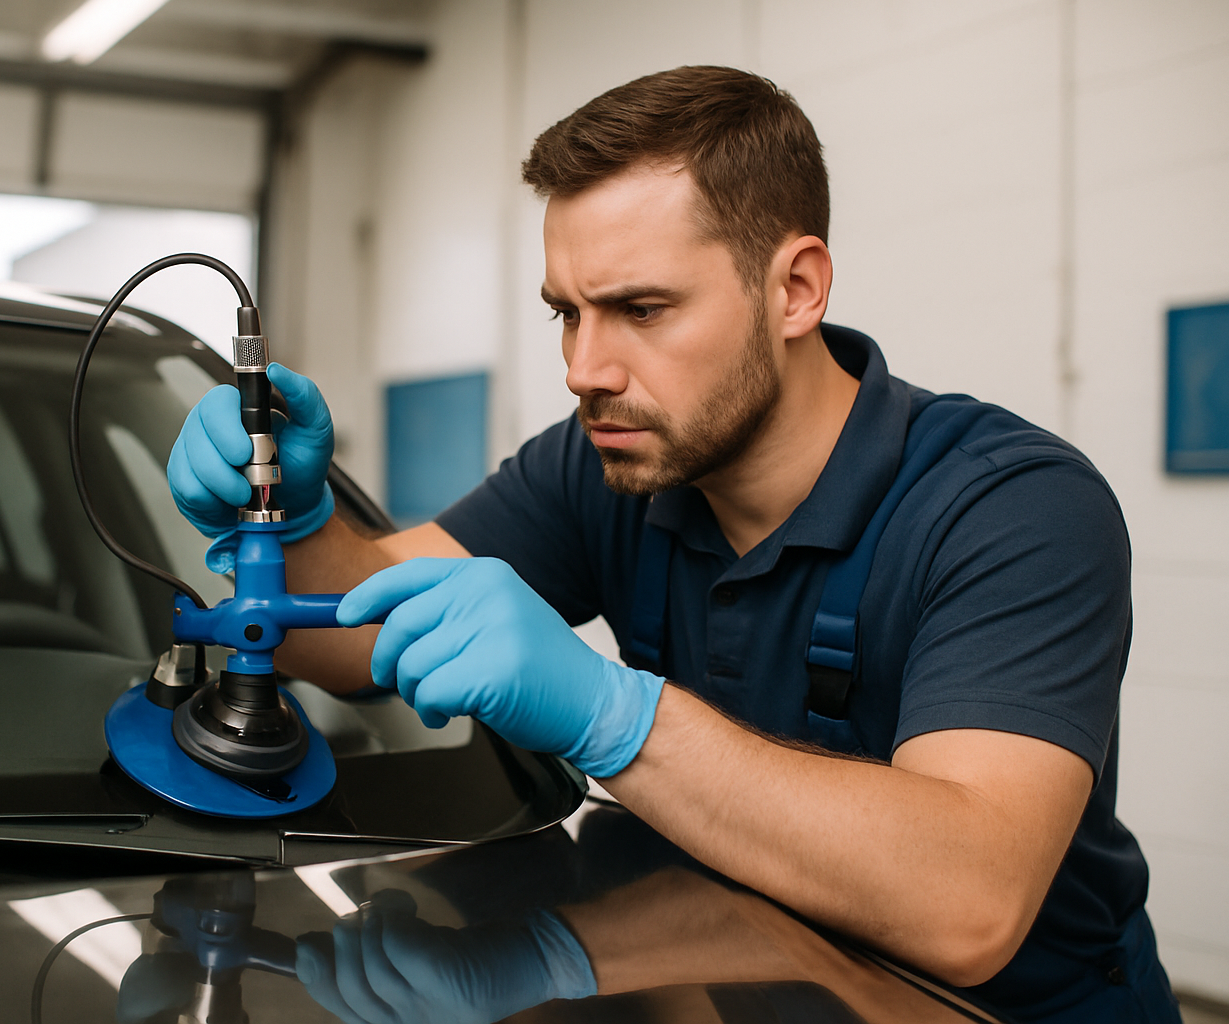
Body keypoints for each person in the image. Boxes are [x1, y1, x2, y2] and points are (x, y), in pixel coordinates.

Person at [168, 66, 1178, 1022]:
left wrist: (617, 718)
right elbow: (352, 634)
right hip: (737, 979)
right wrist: (291, 522)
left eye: (641, 309)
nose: (584, 368)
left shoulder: (1008, 507)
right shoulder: (604, 465)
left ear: (795, 289)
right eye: (568, 312)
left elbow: (968, 906)